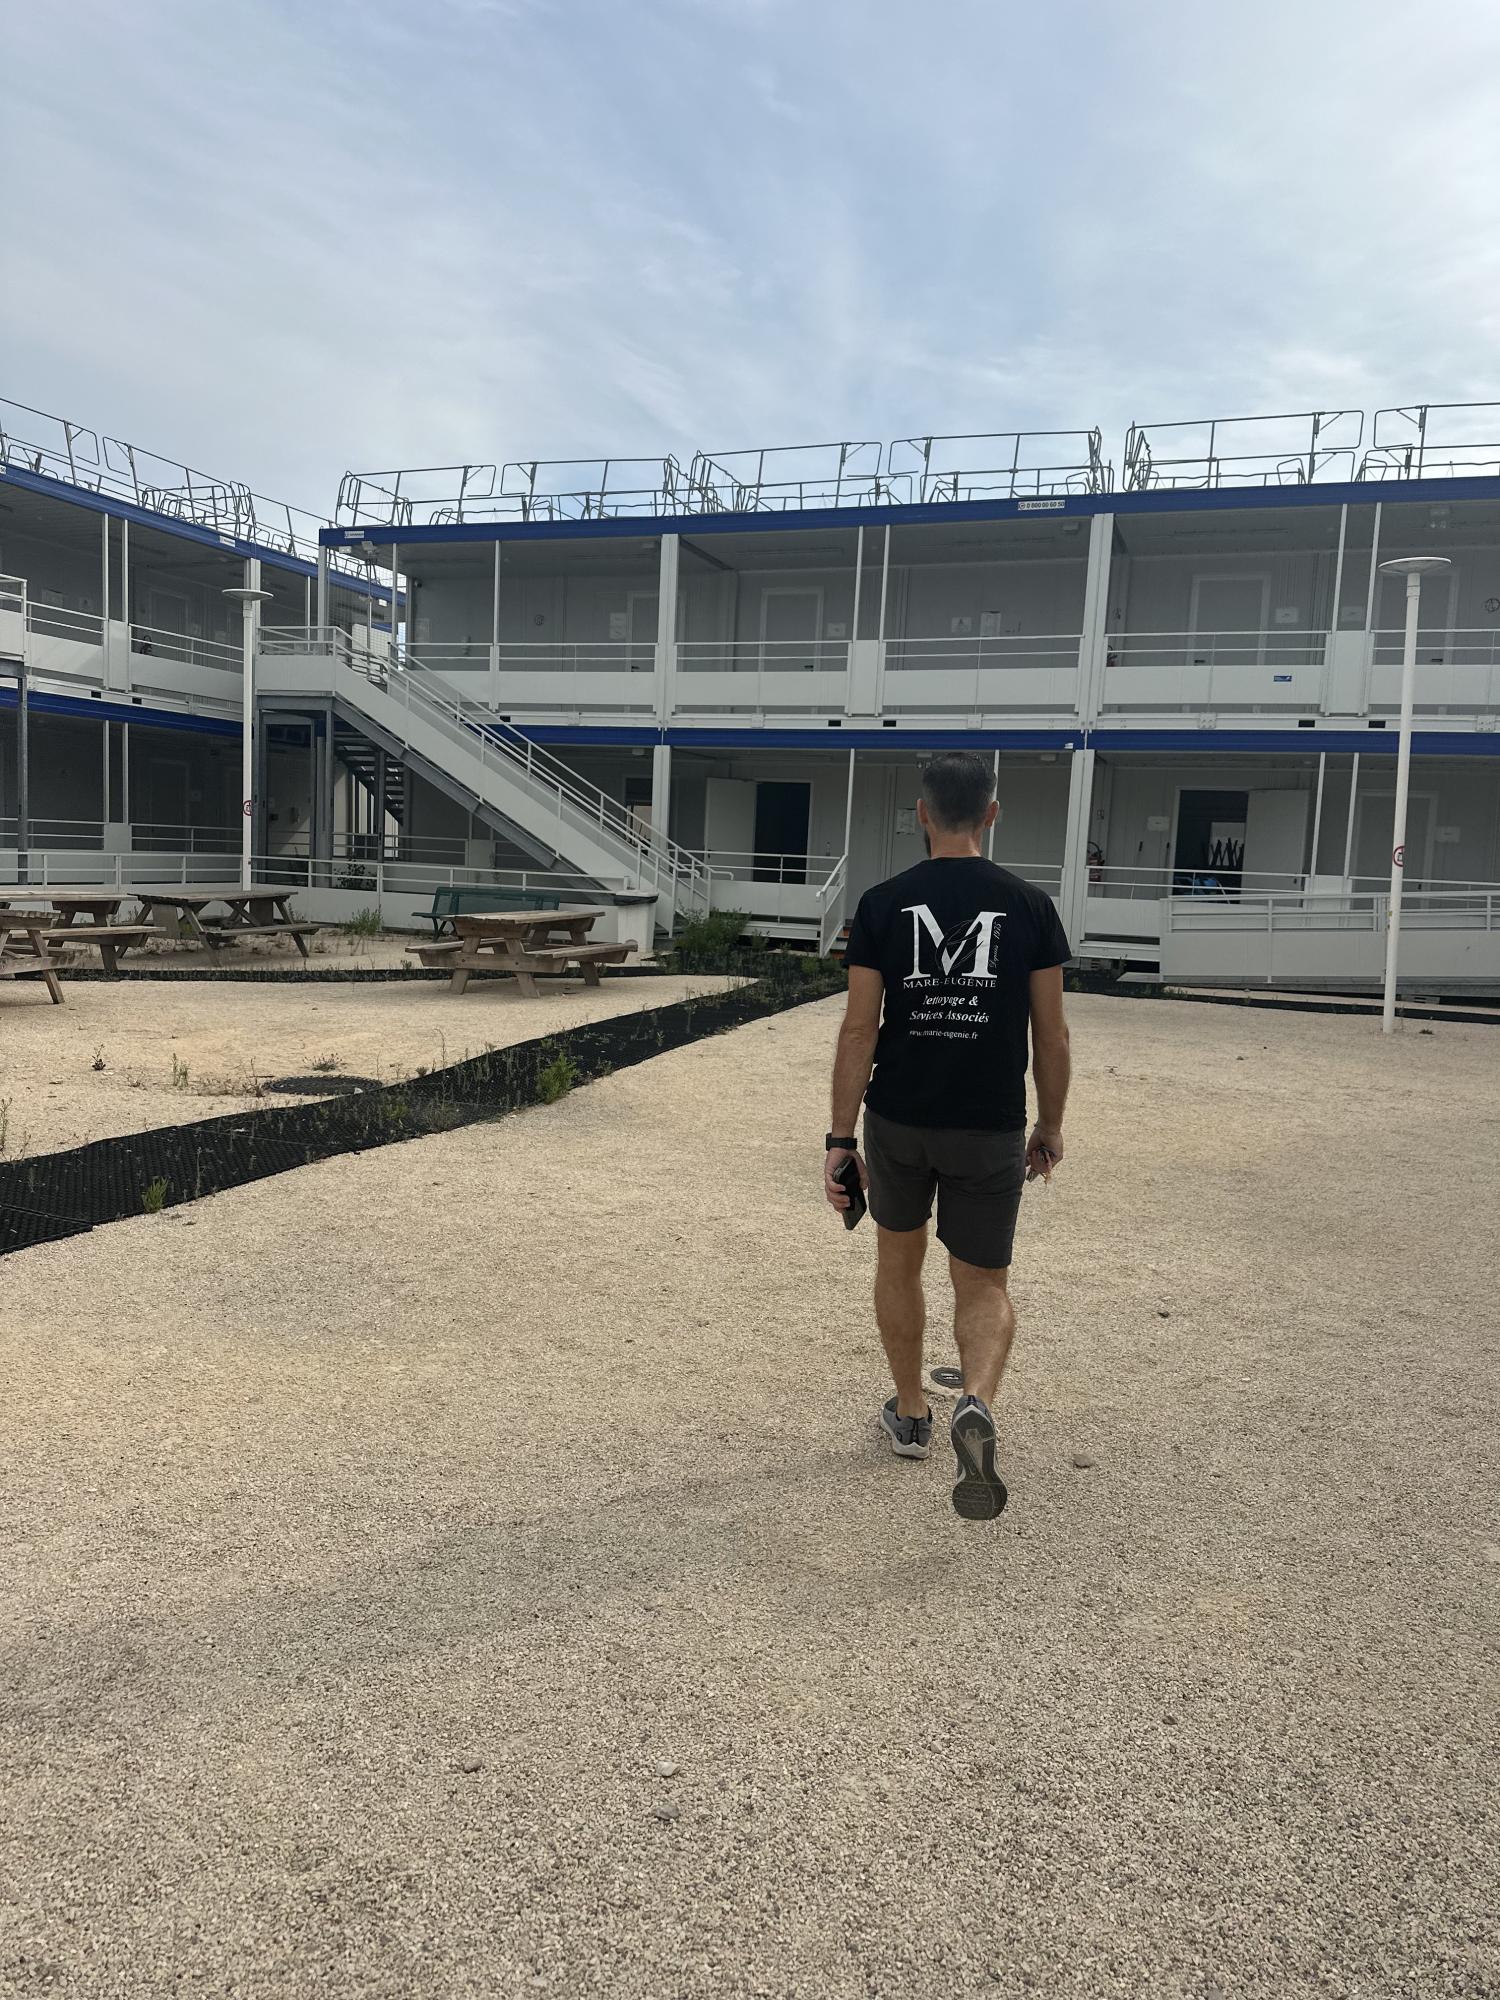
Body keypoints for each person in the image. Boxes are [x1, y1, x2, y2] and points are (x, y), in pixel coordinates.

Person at [823, 751, 1072, 1521]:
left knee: (899, 1261)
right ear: (991, 814)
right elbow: (1052, 1034)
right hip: (988, 1123)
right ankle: (976, 1400)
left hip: (899, 1118)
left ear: (922, 814)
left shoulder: (881, 904)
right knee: (984, 1283)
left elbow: (859, 1029)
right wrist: (1050, 1124)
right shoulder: (1030, 906)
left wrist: (839, 1139)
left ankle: (910, 1414)